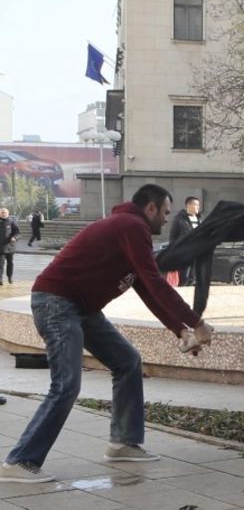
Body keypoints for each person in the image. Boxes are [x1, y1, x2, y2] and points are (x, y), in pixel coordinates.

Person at [0, 184, 214, 484]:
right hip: (57, 302)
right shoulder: (131, 226)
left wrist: (181, 329)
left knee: (127, 361)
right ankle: (20, 461)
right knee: (67, 385)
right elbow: (155, 281)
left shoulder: (130, 231)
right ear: (150, 208)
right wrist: (197, 321)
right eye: (164, 212)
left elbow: (147, 290)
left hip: (79, 307)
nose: (166, 220)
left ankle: (123, 443)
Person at [168, 196, 202, 286]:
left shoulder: (200, 220)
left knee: (193, 278)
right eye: (196, 204)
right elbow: (172, 237)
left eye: (199, 205)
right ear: (188, 205)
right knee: (184, 278)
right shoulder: (179, 219)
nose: (198, 207)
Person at [0, 208, 19, 284]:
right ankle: (0, 279)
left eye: (5, 212)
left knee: (10, 263)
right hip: (0, 247)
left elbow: (18, 233)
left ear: (8, 213)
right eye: (2, 212)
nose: (3, 214)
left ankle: (10, 277)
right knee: (0, 264)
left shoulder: (11, 222)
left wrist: (14, 237)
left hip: (10, 247)